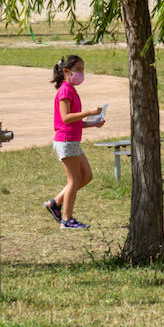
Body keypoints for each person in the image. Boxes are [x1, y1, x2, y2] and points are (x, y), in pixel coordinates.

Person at [47, 53, 105, 230]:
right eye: (78, 70)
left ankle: (55, 203)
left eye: (83, 70)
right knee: (73, 181)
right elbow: (65, 118)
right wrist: (89, 112)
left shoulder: (72, 90)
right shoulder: (64, 90)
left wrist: (93, 124)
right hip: (66, 141)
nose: (81, 74)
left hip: (73, 141)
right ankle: (67, 219)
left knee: (86, 176)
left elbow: (75, 122)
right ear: (66, 71)